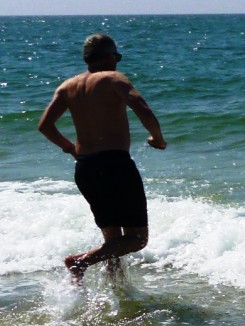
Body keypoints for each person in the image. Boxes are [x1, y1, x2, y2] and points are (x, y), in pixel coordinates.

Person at [38, 33, 166, 282]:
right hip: (115, 165)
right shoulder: (113, 79)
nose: (117, 61)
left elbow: (45, 126)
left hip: (85, 168)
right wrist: (157, 139)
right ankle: (80, 262)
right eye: (117, 56)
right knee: (137, 239)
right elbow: (142, 108)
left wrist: (70, 148)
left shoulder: (67, 87)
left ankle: (117, 289)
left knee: (113, 240)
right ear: (108, 57)